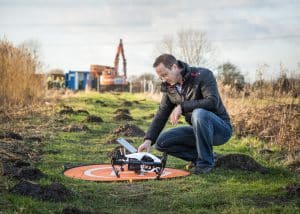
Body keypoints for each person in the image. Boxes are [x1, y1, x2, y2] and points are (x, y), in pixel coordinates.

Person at [138, 54, 232, 174]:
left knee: (199, 114)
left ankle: (205, 164)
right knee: (162, 143)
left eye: (165, 74)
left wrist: (182, 106)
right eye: (161, 77)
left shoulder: (203, 75)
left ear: (174, 67)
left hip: (220, 130)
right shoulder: (170, 88)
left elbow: (212, 102)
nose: (164, 79)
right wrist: (149, 140)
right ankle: (206, 157)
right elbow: (162, 113)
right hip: (197, 130)